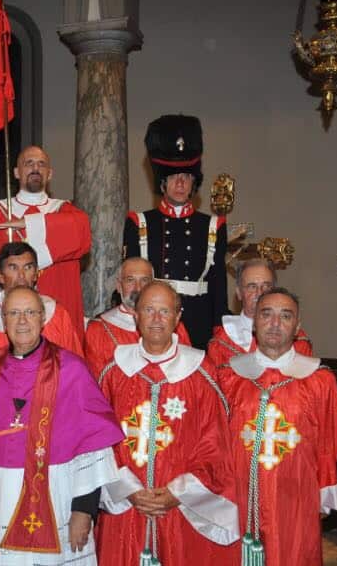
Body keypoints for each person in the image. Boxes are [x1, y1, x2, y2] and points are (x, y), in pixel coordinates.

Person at [0, 286, 124, 566]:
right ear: (2, 321)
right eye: (13, 314)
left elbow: (93, 444)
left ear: (43, 318)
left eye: (30, 313)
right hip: (0, 506)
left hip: (58, 506)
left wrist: (84, 511)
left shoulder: (70, 369)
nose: (22, 321)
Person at [95, 282, 240, 566]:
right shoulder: (114, 373)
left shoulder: (201, 374)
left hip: (181, 516)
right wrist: (129, 490)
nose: (156, 319)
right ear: (135, 316)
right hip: (126, 513)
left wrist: (176, 493)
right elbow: (97, 443)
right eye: (148, 310)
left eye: (164, 311)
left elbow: (216, 448)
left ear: (178, 317)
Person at [218, 288, 337, 566]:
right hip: (240, 505)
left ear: (298, 326)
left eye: (285, 316)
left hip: (295, 507)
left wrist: (319, 497)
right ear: (253, 323)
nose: (275, 323)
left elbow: (328, 445)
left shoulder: (318, 380)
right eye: (266, 314)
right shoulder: (229, 378)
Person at [123, 115, 228, 349]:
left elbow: (218, 288)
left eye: (186, 177)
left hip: (198, 322)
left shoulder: (213, 226)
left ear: (194, 182)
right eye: (173, 177)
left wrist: (219, 332)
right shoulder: (139, 223)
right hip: (155, 320)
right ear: (162, 182)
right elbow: (130, 283)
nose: (180, 183)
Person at [0, 145, 92, 325]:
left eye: (41, 164)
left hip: (56, 303)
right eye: (29, 163)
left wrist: (28, 223)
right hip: (12, 307)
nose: (36, 168)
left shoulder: (63, 210)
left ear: (49, 173)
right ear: (16, 172)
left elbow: (81, 233)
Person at [0, 242, 83, 375]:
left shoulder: (56, 315)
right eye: (13, 268)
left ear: (36, 274)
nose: (21, 275)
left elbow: (75, 371)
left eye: (28, 267)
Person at [85, 257, 190, 380]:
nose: (138, 288)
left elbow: (186, 374)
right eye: (130, 280)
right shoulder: (98, 329)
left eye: (144, 280)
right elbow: (97, 382)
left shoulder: (171, 326)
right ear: (119, 286)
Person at [206, 258, 313, 367]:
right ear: (239, 293)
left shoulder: (296, 339)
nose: (260, 293)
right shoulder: (222, 342)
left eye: (266, 286)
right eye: (252, 287)